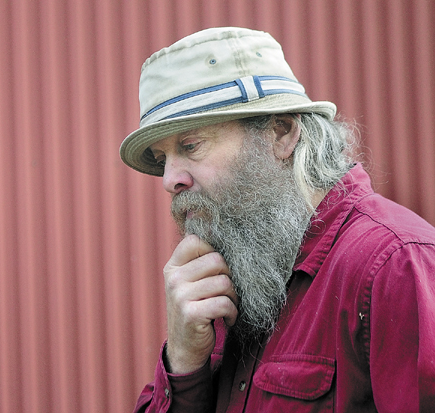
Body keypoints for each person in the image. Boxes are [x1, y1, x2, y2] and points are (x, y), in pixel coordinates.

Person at [119, 27, 435, 412]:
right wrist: (184, 366)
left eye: (190, 145)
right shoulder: (239, 266)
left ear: (281, 132)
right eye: (163, 157)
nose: (170, 179)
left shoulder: (396, 265)